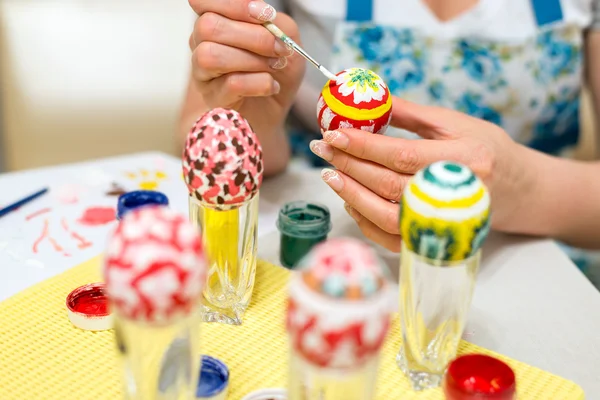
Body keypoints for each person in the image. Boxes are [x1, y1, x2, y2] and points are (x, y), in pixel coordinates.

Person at [181, 0, 600, 286]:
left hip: (527, 261)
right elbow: (195, 132)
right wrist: (252, 127)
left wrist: (526, 187)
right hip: (321, 245)